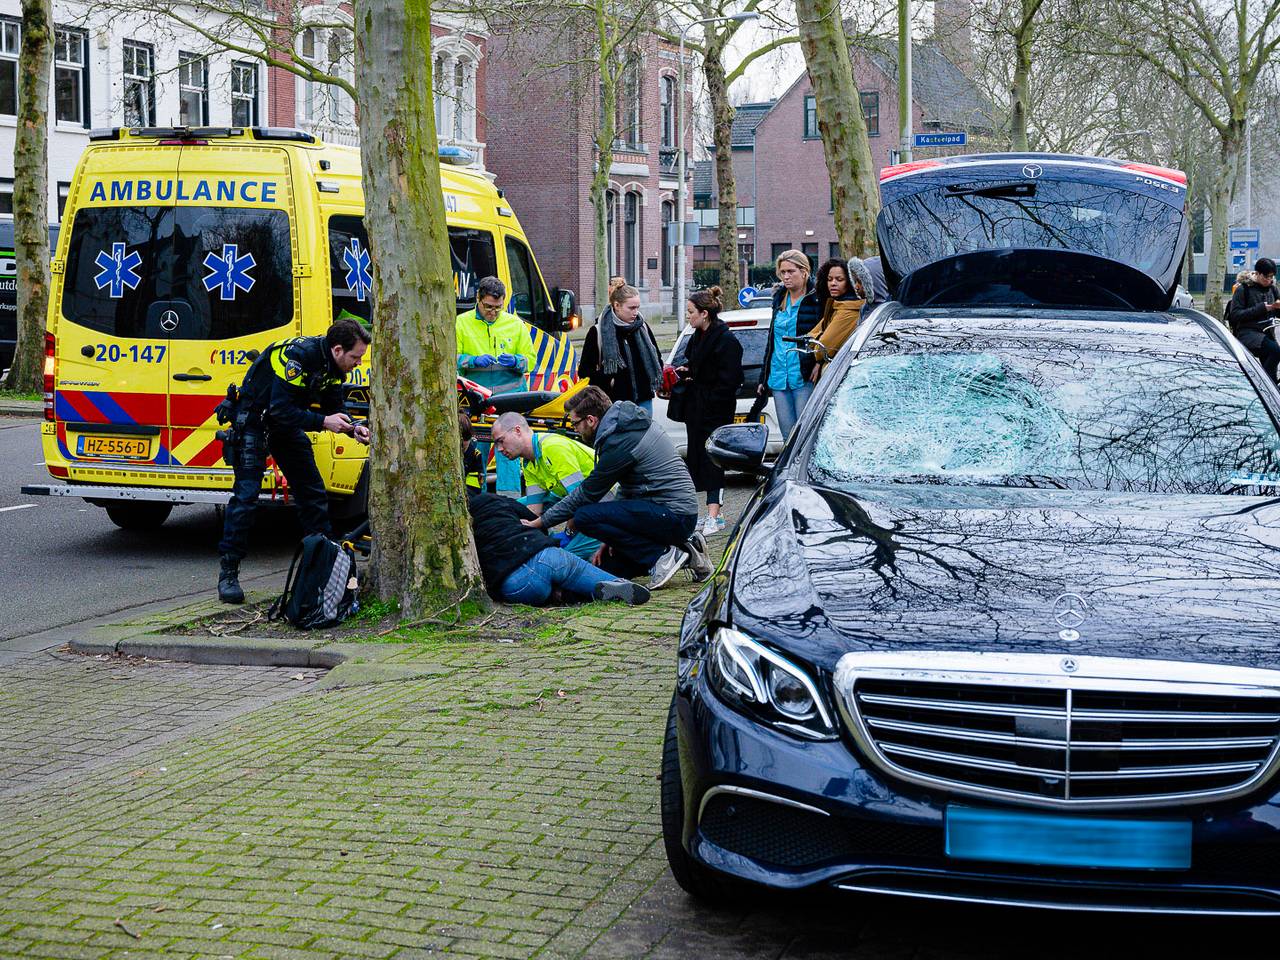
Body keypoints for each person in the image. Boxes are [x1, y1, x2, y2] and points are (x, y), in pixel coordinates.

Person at [217, 319, 372, 603]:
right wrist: (324, 422)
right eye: (356, 357)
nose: (359, 363)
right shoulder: (300, 358)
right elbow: (280, 410)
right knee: (246, 498)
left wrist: (354, 427)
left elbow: (333, 407)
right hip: (255, 421)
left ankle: (326, 566)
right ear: (338, 350)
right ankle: (229, 572)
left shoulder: (333, 366)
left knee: (312, 493)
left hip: (285, 425)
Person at [521, 385, 711, 589]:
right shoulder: (623, 428)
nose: (574, 428)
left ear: (591, 420)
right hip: (665, 513)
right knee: (610, 567)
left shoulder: (621, 439)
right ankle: (689, 550)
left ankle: (663, 554)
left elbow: (587, 494)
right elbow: (626, 488)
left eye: (575, 423)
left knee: (584, 516)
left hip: (674, 515)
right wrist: (610, 536)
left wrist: (540, 523)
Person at [466, 490, 650, 606]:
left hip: (513, 583)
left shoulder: (460, 522)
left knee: (544, 590)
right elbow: (538, 523)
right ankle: (617, 585)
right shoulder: (495, 501)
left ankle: (559, 595)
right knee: (573, 567)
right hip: (541, 555)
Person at [455, 275, 537, 496]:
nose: (493, 312)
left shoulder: (515, 324)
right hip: (476, 404)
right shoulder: (461, 322)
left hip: (509, 405)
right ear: (478, 300)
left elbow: (531, 360)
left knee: (509, 457)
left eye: (498, 308)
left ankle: (510, 506)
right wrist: (470, 360)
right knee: (474, 456)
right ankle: (475, 503)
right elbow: (451, 359)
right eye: (489, 307)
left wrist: (518, 361)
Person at [489, 411, 603, 560]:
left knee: (560, 560)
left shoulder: (552, 447)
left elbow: (580, 500)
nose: (499, 449)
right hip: (582, 504)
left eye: (501, 441)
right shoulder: (528, 461)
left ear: (517, 431)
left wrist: (568, 533)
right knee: (511, 508)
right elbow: (533, 510)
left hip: (602, 506)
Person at [676, 286, 743, 537]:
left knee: (713, 461)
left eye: (691, 312)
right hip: (696, 409)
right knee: (697, 460)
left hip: (715, 411)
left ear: (704, 313)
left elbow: (729, 379)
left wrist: (710, 397)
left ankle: (715, 515)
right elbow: (696, 365)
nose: (688, 316)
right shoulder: (697, 337)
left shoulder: (726, 340)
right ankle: (711, 512)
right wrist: (687, 372)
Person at [577, 278, 663, 414]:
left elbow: (657, 358)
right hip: (613, 403)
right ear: (616, 305)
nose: (636, 312)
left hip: (643, 399)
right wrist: (609, 381)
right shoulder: (598, 331)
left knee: (644, 435)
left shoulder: (643, 327)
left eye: (637, 307)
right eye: (631, 308)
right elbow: (584, 371)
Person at [757, 250, 816, 437]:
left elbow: (824, 336)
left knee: (806, 433)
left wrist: (818, 362)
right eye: (782, 272)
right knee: (788, 436)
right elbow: (771, 341)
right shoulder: (779, 298)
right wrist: (763, 377)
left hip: (804, 375)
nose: (786, 276)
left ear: (804, 271)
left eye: (791, 271)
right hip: (778, 376)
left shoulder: (816, 299)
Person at [799, 257, 871, 383]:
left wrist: (819, 351)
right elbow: (810, 337)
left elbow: (822, 348)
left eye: (839, 279)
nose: (833, 283)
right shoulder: (836, 305)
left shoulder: (849, 308)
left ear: (850, 282)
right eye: (829, 279)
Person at [1229, 257, 1280, 380]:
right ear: (1257, 274)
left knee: (1271, 370)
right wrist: (1262, 308)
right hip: (1247, 333)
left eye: (1271, 277)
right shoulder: (1243, 289)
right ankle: (1261, 383)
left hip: (1267, 332)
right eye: (1266, 277)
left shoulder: (1273, 289)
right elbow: (1235, 315)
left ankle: (1269, 389)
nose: (1269, 280)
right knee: (1275, 351)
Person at [458, 410, 484, 491]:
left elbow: (475, 487)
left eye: (467, 439)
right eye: (462, 439)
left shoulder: (476, 456)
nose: (464, 444)